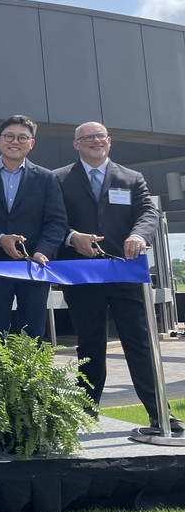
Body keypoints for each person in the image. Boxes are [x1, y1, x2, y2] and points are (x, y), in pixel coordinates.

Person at [55, 121, 183, 432]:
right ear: (76, 144)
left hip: (124, 271)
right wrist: (72, 237)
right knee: (89, 345)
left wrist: (139, 235)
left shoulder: (131, 178)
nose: (95, 141)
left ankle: (159, 413)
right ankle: (85, 413)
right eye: (87, 137)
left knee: (139, 342)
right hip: (82, 274)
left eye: (100, 136)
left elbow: (148, 213)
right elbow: (52, 219)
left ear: (109, 141)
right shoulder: (58, 178)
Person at [0, 115, 67, 339]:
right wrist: (0, 238)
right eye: (9, 136)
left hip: (34, 265)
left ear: (32, 143)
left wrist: (43, 251)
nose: (15, 142)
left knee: (33, 331)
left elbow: (56, 221)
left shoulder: (46, 178)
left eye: (22, 137)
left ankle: (31, 366)